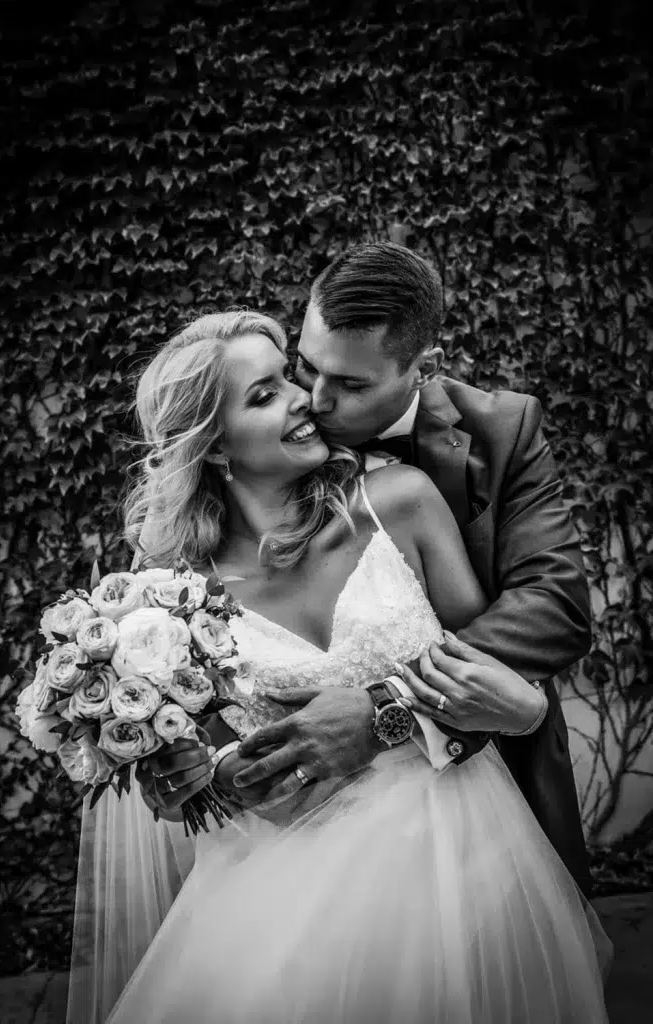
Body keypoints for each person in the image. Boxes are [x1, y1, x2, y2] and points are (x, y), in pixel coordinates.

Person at [68, 309, 609, 1024]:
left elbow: (490, 670)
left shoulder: (400, 502)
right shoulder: (171, 593)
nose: (304, 398)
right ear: (215, 446)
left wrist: (393, 715)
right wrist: (211, 775)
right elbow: (187, 769)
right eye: (264, 395)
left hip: (466, 855)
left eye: (288, 376)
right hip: (284, 890)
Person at [188, 242, 594, 900]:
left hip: (478, 802)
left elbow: (555, 609)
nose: (314, 400)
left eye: (350, 385)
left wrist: (385, 709)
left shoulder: (500, 431)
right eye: (306, 368)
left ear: (416, 369)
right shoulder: (260, 465)